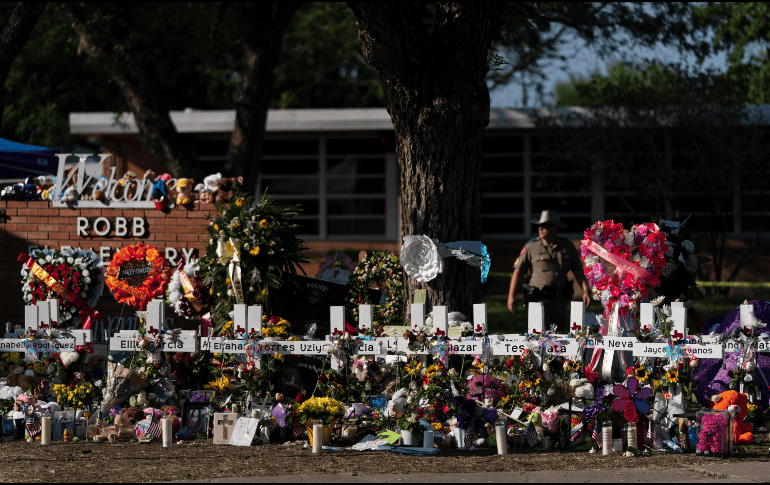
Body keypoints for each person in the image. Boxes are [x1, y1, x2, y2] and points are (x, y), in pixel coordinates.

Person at [507, 210, 591, 332]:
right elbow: (518, 272)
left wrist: (586, 290)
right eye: (539, 226)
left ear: (555, 228)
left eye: (545, 226)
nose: (540, 229)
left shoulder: (567, 246)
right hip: (538, 299)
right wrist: (511, 296)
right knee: (541, 336)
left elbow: (578, 270)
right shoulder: (531, 247)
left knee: (560, 336)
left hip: (561, 299)